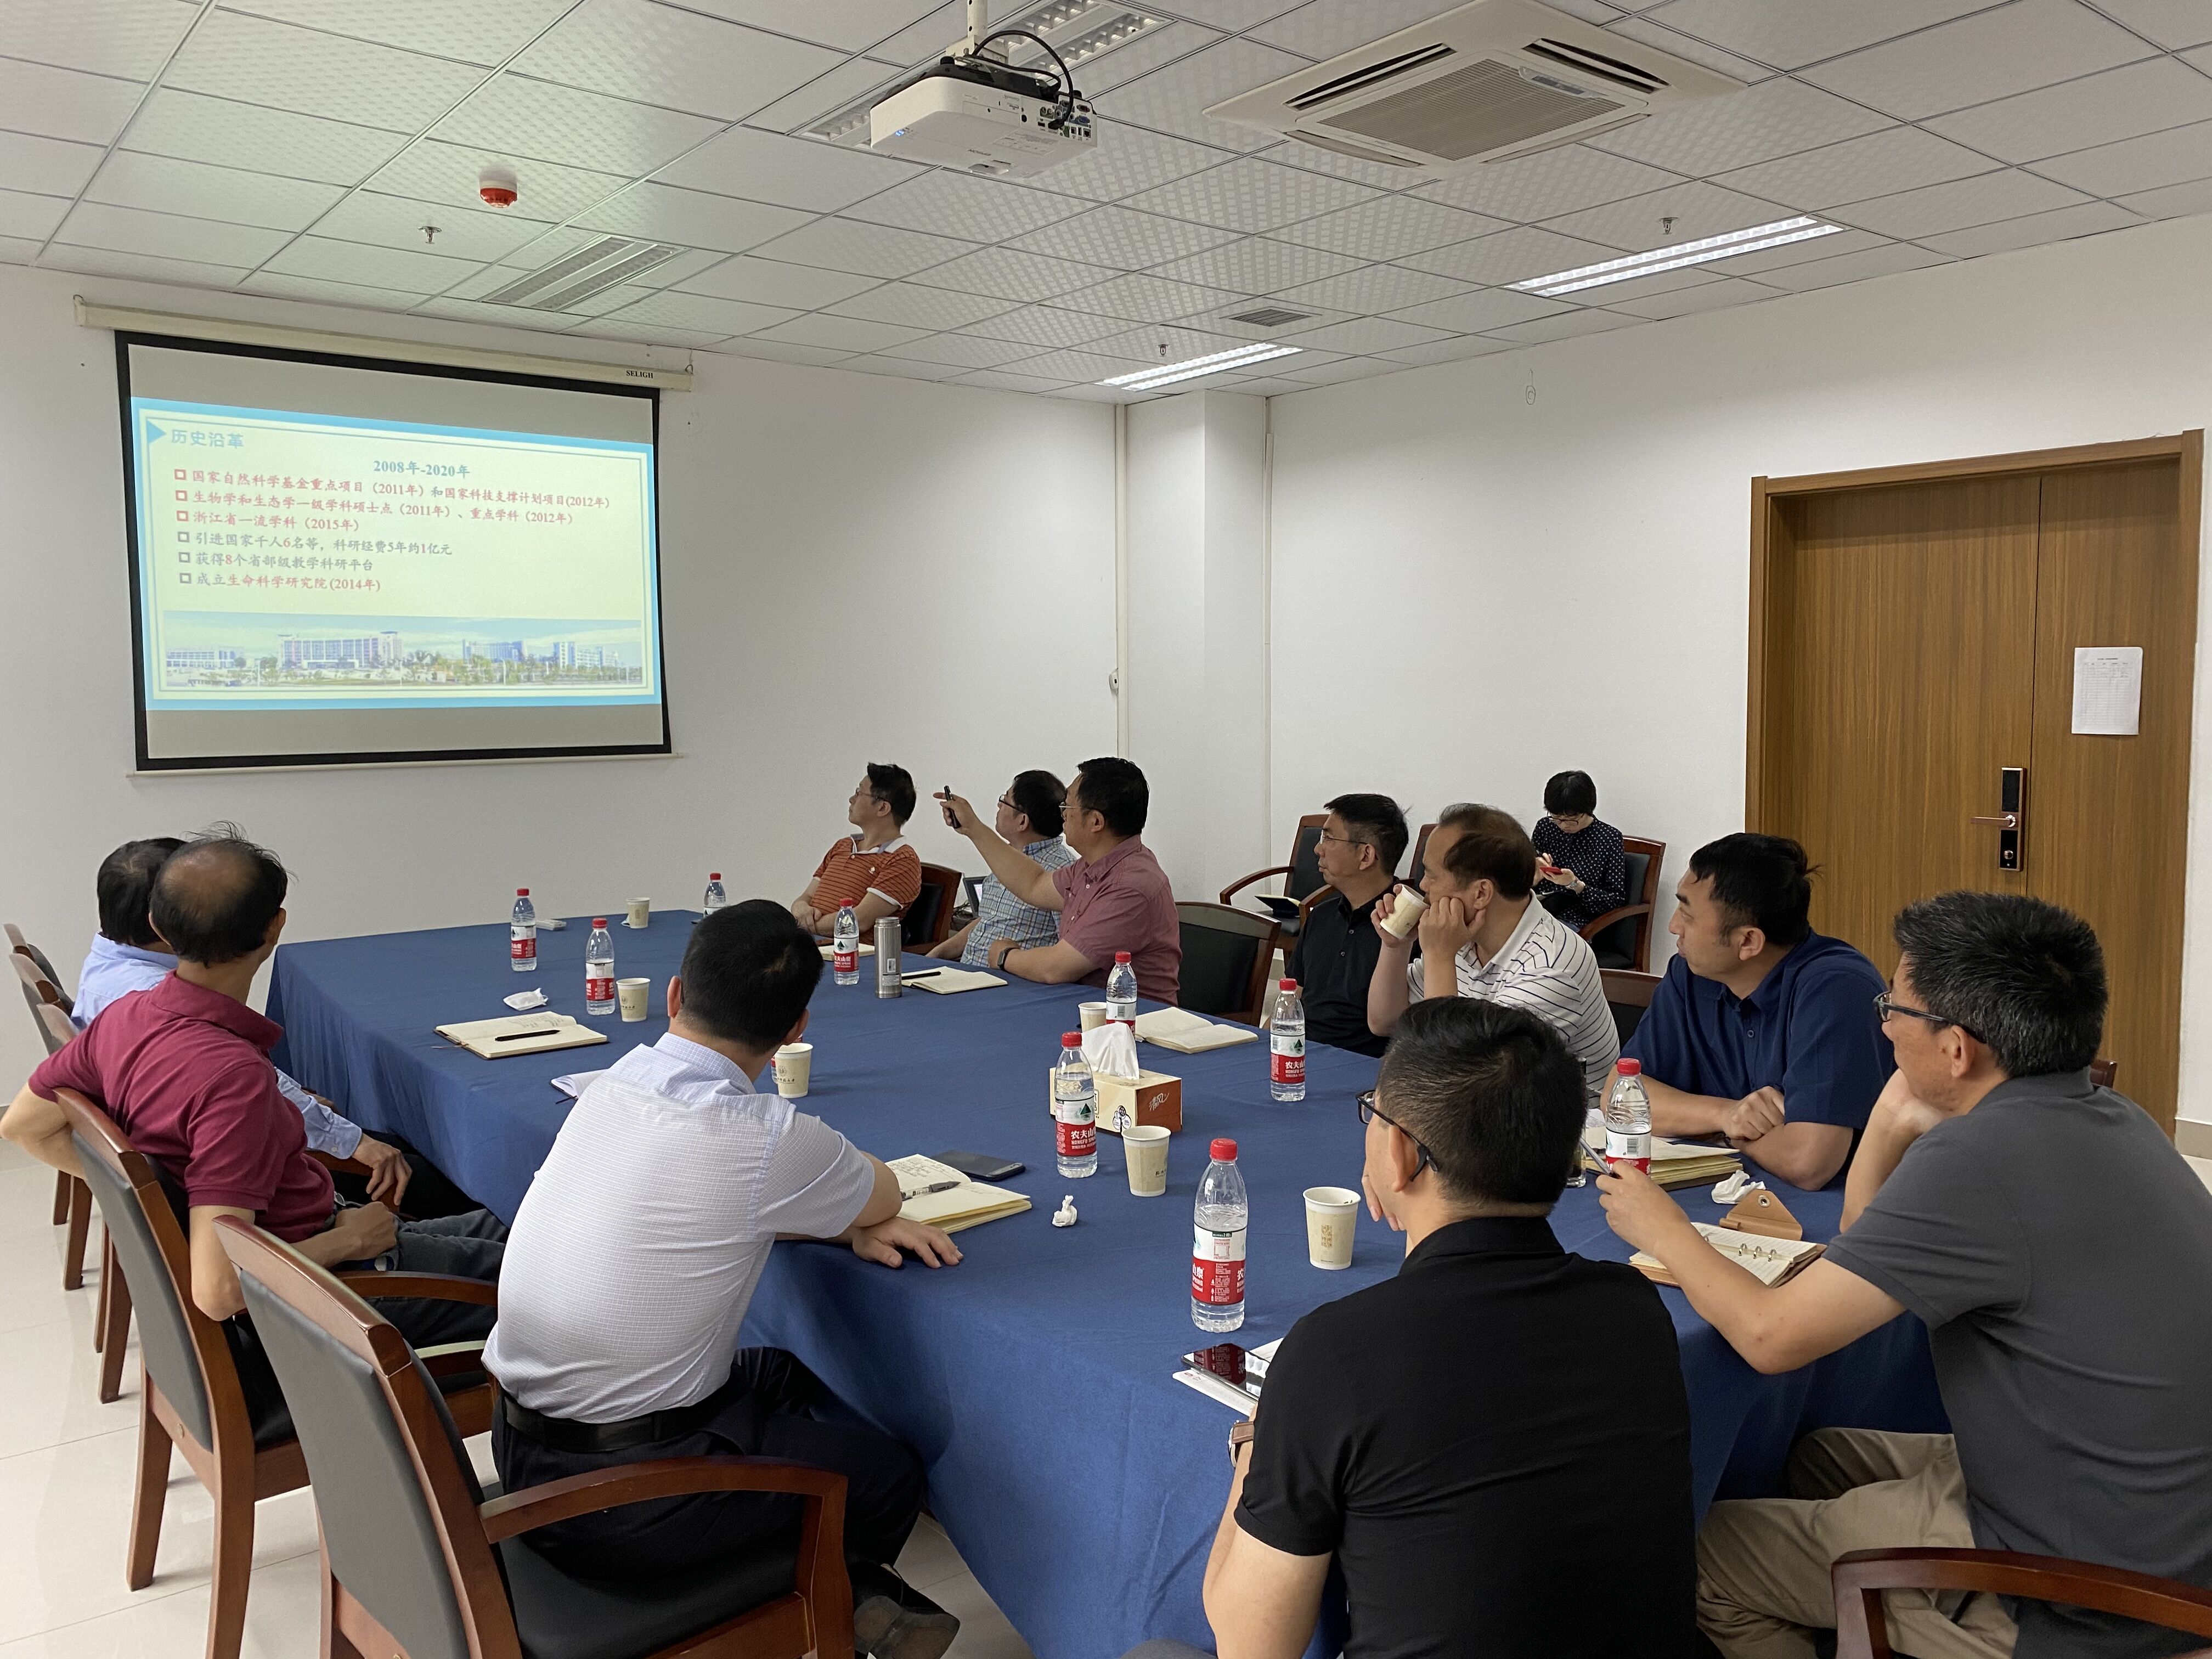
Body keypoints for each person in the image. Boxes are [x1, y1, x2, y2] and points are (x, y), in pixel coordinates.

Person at [1600, 890, 2212, 1659]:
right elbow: (1868, 1246)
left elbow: (1769, 1337)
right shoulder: (2118, 1118)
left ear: (1957, 1050)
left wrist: (1663, 1227)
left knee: (1703, 1552)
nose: (1883, 1025)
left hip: (2085, 1587)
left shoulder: (1979, 1160)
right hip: (2144, 1510)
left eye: (1894, 1008)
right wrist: (1890, 1117)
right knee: (1811, 1456)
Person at [486, 899, 962, 1659]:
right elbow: (884, 1194)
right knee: (885, 1476)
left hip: (518, 1447)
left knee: (784, 1373)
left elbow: (710, 1203)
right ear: (796, 1030)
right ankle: (834, 1597)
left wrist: (836, 1221)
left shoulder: (612, 1084)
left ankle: (842, 1578)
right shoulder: (765, 1136)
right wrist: (853, 1219)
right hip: (623, 1505)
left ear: (675, 994)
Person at [1197, 998, 1695, 1659]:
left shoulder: (1336, 1354)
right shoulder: (1635, 1311)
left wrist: (1257, 1450)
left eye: (1374, 1113)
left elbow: (1250, 1645)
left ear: (1400, 1152)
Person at [2, 830, 504, 1351]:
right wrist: (347, 1240)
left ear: (158, 925)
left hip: (315, 1236)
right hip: (331, 1288)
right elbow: (219, 1291)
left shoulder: (124, 1016)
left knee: (519, 1224)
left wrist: (152, 1205)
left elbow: (22, 1126)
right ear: (275, 927)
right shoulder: (233, 1081)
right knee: (549, 1280)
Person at [72, 836, 479, 1218]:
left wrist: (135, 1192)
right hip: (299, 1220)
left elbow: (32, 1123)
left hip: (243, 1186)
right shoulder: (223, 1065)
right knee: (467, 1192)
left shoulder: (122, 1008)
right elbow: (218, 1265)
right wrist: (348, 1236)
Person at [1622, 834, 1891, 1190]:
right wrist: (1727, 1115)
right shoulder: (1690, 974)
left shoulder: (1837, 988)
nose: (1674, 926)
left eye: (1687, 914)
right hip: (1725, 1190)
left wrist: (1720, 1132)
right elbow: (1622, 1099)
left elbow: (1808, 1163)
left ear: (1748, 941)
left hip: (1827, 1209)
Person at [1364, 802, 1617, 1104]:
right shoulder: (1465, 936)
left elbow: (1457, 1076)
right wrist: (1397, 945)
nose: (1423, 885)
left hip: (1557, 1125)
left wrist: (1439, 956)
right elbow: (1384, 1022)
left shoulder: (1550, 968)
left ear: (1481, 893)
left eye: (1432, 875)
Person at [937, 757, 1180, 1003]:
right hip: (1083, 1005)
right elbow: (1034, 884)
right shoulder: (1092, 867)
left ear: (1096, 822)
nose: (1062, 814)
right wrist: (973, 828)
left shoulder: (1129, 885)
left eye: (1068, 806)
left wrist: (1005, 956)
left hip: (1133, 1019)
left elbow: (1056, 967)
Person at [1284, 793, 1405, 1059]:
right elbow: (1292, 998)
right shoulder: (1321, 916)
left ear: (1366, 855)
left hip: (1360, 1065)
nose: (1318, 849)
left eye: (1328, 838)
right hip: (1300, 1056)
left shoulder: (1405, 928)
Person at [929, 770, 1076, 966]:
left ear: (1022, 821)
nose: (999, 805)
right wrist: (934, 956)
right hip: (965, 972)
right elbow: (990, 920)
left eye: (1004, 800)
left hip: (1006, 980)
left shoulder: (1063, 872)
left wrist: (972, 826)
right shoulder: (1007, 856)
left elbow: (1067, 950)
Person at [792, 763, 923, 940]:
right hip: (807, 941)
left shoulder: (902, 860)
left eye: (859, 793)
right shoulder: (843, 846)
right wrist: (800, 910)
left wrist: (802, 927)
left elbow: (859, 920)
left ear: (883, 808)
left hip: (847, 951)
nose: (851, 799)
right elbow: (807, 896)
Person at [1531, 770, 1628, 932]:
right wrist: (1533, 878)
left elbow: (1615, 900)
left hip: (1577, 920)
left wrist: (1576, 885)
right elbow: (1519, 886)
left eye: (1571, 819)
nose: (1563, 825)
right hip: (1537, 911)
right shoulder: (1546, 827)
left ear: (1588, 810)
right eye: (1557, 818)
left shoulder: (1609, 838)